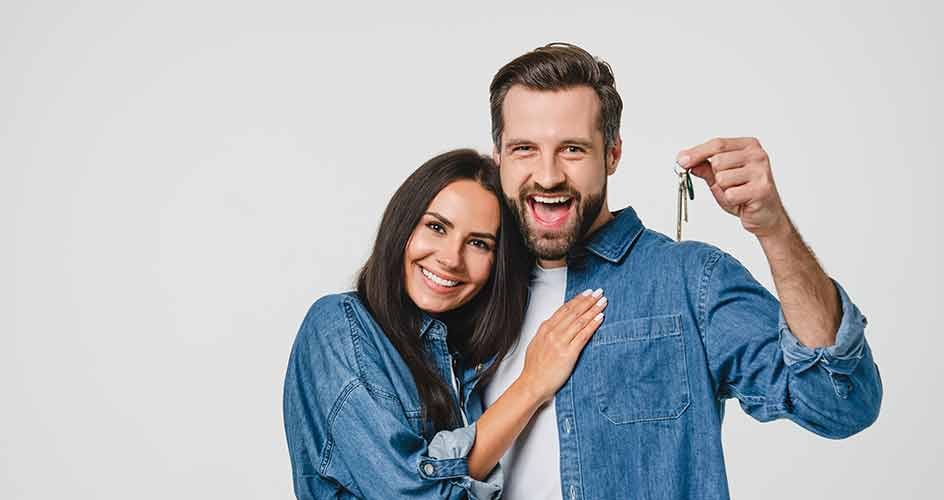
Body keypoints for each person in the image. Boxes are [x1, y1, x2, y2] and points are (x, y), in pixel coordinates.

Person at [482, 43, 883, 500]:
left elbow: (839, 404)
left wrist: (773, 230)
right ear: (498, 157)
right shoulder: (470, 292)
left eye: (572, 149)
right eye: (524, 149)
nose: (548, 175)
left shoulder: (691, 280)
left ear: (612, 154)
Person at [283, 149, 609, 499]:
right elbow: (413, 493)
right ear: (402, 224)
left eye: (478, 244)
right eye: (436, 227)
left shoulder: (461, 358)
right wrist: (531, 386)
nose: (451, 259)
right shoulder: (337, 326)